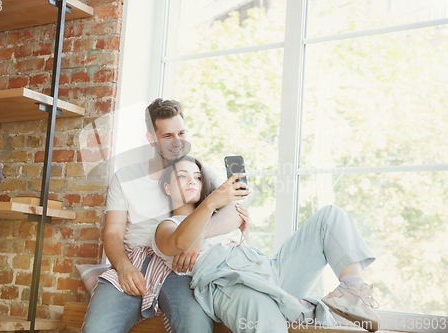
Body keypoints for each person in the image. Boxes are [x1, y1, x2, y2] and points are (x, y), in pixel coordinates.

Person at [152, 156, 381, 333]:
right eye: (182, 176)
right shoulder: (166, 226)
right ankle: (289, 307)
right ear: (167, 188)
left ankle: (352, 292)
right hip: (229, 284)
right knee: (267, 320)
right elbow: (180, 241)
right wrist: (211, 202)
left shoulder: (217, 216)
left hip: (269, 270)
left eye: (198, 176)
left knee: (330, 216)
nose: (193, 180)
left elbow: (235, 212)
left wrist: (232, 234)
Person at [82, 99, 245, 333]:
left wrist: (196, 237)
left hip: (180, 266)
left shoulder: (197, 171)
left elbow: (236, 210)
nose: (177, 142)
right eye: (168, 136)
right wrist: (123, 266)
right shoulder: (126, 176)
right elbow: (112, 233)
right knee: (96, 329)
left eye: (181, 132)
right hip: (135, 262)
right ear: (152, 139)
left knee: (195, 327)